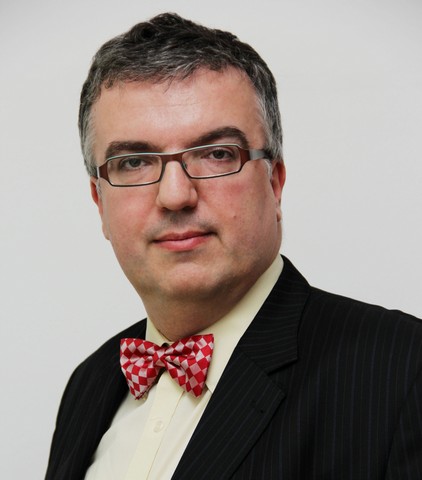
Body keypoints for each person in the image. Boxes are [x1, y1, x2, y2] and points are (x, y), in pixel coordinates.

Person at [45, 13, 422, 480]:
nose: (175, 196)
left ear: (274, 182)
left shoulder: (402, 369)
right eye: (135, 162)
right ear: (100, 201)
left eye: (217, 154)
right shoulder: (87, 385)